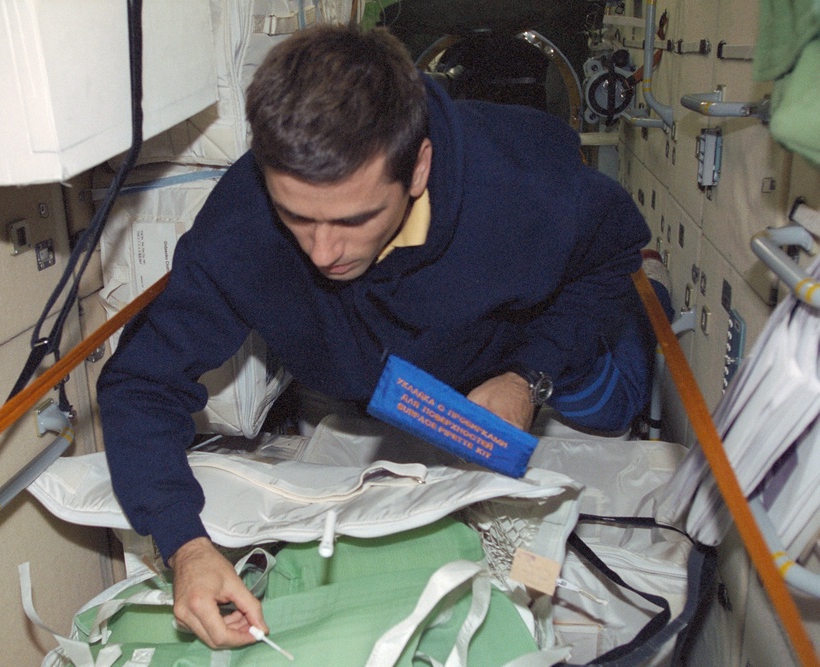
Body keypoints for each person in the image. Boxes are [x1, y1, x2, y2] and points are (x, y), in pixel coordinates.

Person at [97, 24, 653, 649]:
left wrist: (533, 374)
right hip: (404, 387)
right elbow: (140, 382)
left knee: (611, 412)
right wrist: (185, 545)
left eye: (355, 219)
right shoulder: (244, 226)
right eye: (298, 217)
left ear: (418, 167)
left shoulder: (522, 188)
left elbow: (616, 255)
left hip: (535, 348)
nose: (324, 251)